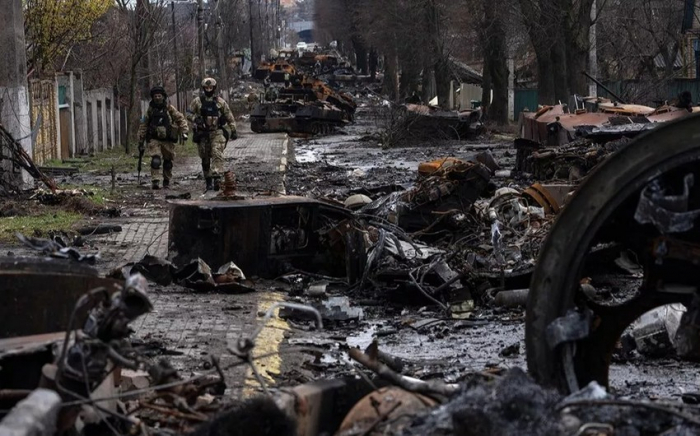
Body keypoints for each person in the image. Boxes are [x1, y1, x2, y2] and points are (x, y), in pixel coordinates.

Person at [188, 77, 238, 191]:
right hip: (202, 133)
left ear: (214, 88)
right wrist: (196, 119)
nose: (208, 89)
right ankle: (208, 181)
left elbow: (229, 115)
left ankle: (216, 178)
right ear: (203, 88)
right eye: (206, 87)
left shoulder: (220, 102)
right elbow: (188, 113)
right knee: (205, 158)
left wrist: (233, 130)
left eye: (211, 87)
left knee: (217, 153)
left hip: (217, 132)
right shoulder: (197, 101)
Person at [137, 86, 188, 190]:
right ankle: (155, 181)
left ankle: (166, 181)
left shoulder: (169, 108)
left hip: (167, 139)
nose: (157, 98)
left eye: (159, 96)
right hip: (154, 139)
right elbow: (143, 124)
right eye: (155, 96)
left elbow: (180, 118)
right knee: (155, 160)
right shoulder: (150, 110)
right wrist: (141, 139)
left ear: (163, 96)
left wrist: (184, 131)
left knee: (168, 162)